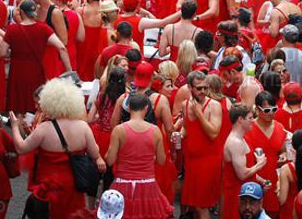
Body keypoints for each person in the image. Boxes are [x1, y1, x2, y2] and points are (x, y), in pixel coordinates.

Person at [9, 78, 106, 218]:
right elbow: (95, 152)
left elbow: (21, 148)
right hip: (74, 184)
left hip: (49, 187)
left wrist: (14, 127)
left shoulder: (44, 129)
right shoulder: (82, 127)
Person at [105, 92, 174, 219]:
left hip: (122, 185)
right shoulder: (155, 130)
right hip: (148, 187)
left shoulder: (119, 130)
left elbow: (109, 161)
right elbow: (162, 160)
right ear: (146, 108)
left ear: (129, 107)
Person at [2, 0, 71, 113]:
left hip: (17, 71)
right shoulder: (44, 28)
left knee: (18, 106)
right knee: (36, 104)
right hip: (36, 70)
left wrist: (14, 51)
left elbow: (2, 53)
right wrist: (69, 71)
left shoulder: (12, 29)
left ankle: (16, 127)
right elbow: (62, 47)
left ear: (22, 12)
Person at [181, 70, 226, 219]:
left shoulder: (214, 106)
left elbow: (213, 133)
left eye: (205, 88)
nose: (203, 91)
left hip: (209, 160)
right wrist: (179, 135)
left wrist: (199, 114)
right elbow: (186, 128)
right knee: (194, 205)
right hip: (192, 160)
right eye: (199, 88)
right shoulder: (185, 105)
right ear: (190, 88)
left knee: (201, 205)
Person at [223, 104, 268, 219]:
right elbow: (242, 174)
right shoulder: (235, 142)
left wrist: (260, 180)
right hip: (237, 196)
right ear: (240, 119)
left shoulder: (243, 139)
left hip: (247, 193)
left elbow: (246, 168)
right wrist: (259, 164)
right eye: (250, 118)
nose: (253, 121)